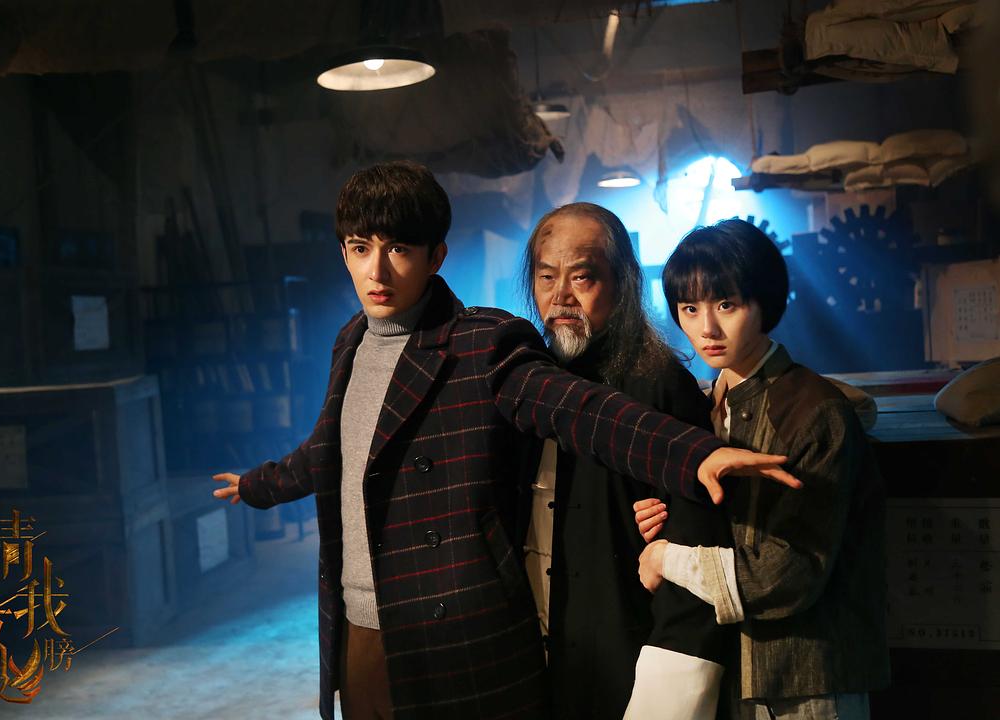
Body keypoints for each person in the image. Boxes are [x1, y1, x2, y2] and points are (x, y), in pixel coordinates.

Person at [212, 163, 798, 720]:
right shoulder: (350, 342)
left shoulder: (489, 344)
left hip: (486, 629)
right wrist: (258, 485)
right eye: (361, 248)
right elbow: (330, 447)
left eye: (399, 250)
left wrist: (696, 453)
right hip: (381, 620)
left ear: (435, 257)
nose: (377, 271)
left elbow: (586, 412)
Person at [630, 218, 889, 720]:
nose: (706, 328)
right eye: (690, 308)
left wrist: (668, 558)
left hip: (809, 682)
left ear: (764, 302)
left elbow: (788, 573)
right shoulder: (705, 405)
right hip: (733, 674)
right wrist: (664, 520)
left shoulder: (813, 410)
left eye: (726, 305)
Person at [519, 203, 732, 720]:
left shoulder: (659, 384)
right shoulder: (527, 383)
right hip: (540, 663)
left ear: (623, 283)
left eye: (582, 277)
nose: (561, 296)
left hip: (634, 665)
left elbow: (698, 556)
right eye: (546, 277)